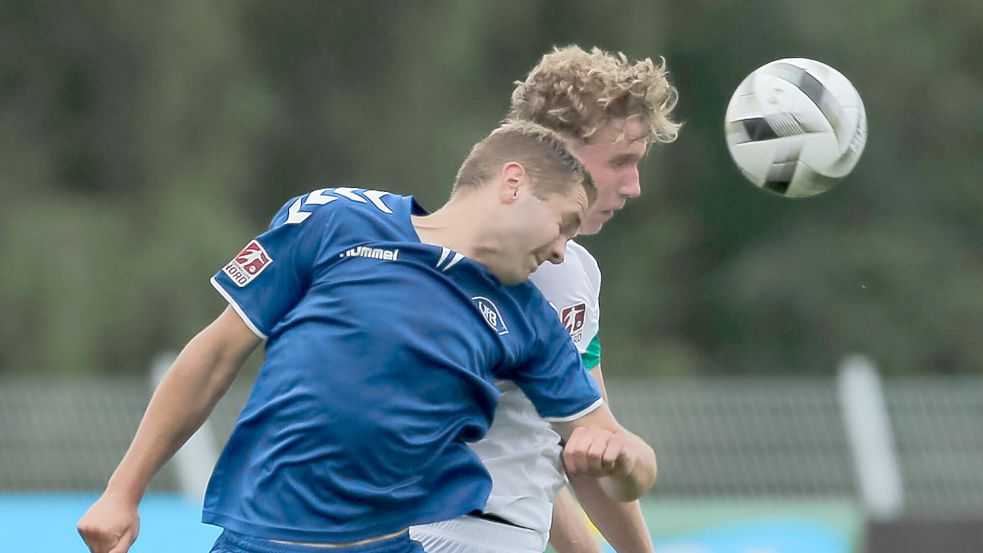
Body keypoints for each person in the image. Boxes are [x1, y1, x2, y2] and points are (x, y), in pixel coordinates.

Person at [76, 120, 659, 553]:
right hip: (252, 540)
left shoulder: (533, 321)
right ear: (513, 183)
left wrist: (625, 457)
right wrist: (122, 492)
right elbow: (214, 355)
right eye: (563, 223)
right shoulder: (334, 219)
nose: (562, 249)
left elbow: (613, 447)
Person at [410, 46, 680, 553]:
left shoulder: (576, 272)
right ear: (558, 151)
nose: (634, 185)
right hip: (432, 531)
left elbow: (575, 448)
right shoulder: (442, 261)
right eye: (621, 161)